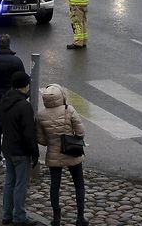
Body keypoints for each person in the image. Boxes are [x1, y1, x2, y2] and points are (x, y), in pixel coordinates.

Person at [36, 84, 88, 226]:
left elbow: (40, 139)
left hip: (53, 154)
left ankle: (57, 218)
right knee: (79, 184)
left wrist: (52, 141)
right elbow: (81, 132)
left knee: (55, 186)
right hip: (72, 152)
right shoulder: (68, 110)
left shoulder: (41, 115)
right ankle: (80, 217)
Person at [0, 72, 38, 226]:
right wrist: (34, 153)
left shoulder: (5, 100)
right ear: (25, 86)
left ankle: (7, 215)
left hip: (8, 148)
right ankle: (19, 217)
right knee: (20, 184)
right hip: (20, 151)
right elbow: (29, 133)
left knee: (9, 182)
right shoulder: (24, 106)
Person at [0, 34, 26, 168]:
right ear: (9, 44)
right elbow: (22, 81)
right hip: (12, 99)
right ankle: (11, 155)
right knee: (12, 128)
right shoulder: (16, 61)